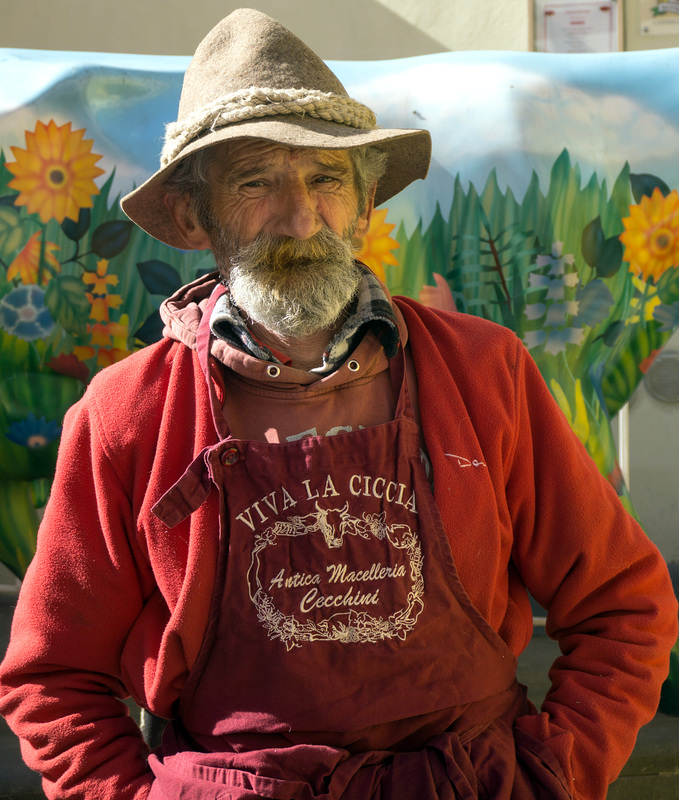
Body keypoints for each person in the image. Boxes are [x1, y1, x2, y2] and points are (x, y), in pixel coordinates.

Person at [0, 8, 676, 800]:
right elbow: (51, 679)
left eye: (325, 179)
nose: (298, 218)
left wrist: (551, 770)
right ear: (192, 215)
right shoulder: (126, 412)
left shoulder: (484, 371)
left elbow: (623, 604)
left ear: (362, 205)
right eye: (255, 181)